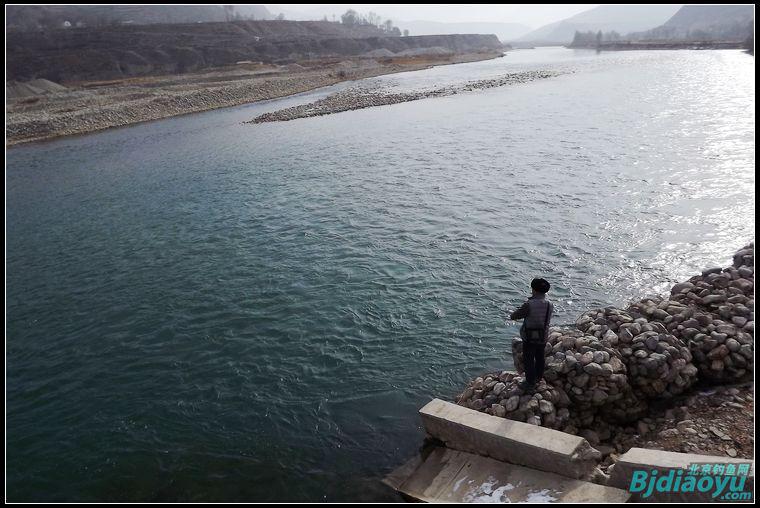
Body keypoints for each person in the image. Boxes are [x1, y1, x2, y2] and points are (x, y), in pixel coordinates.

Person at [509, 278, 553, 390]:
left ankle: (529, 382)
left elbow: (515, 316)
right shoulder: (549, 304)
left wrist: (512, 313)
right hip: (543, 335)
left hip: (530, 337)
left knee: (528, 359)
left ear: (533, 290)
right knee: (540, 357)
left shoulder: (529, 304)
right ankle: (538, 377)